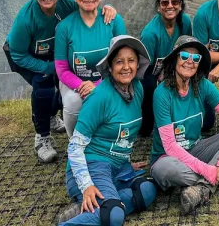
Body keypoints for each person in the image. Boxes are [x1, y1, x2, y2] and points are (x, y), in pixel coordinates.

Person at [4, 0, 117, 163]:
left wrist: (108, 9)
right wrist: (49, 68)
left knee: (60, 85)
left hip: (54, 53)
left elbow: (88, 7)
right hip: (25, 55)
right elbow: (18, 54)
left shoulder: (67, 4)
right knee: (44, 84)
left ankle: (50, 116)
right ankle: (42, 137)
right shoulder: (26, 19)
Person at [55, 35, 157, 225]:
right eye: (119, 62)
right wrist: (86, 186)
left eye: (131, 61)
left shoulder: (137, 89)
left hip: (118, 168)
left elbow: (124, 132)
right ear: (110, 67)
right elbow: (75, 146)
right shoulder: (99, 97)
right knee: (113, 216)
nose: (126, 67)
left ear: (138, 64)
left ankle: (89, 210)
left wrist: (123, 159)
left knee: (146, 191)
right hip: (92, 165)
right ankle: (100, 209)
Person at [149, 36, 219, 215]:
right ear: (174, 59)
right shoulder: (161, 94)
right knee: (164, 170)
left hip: (196, 149)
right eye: (185, 55)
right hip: (168, 157)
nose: (190, 62)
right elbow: (170, 147)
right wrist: (206, 169)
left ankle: (202, 189)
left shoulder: (202, 84)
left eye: (196, 58)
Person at [55, 0, 127, 136]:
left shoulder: (114, 21)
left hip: (110, 81)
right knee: (73, 102)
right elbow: (62, 69)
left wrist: (98, 86)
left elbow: (124, 61)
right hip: (75, 83)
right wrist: (82, 86)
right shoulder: (65, 28)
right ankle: (75, 143)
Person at [139, 0, 193, 136]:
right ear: (158, 7)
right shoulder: (150, 34)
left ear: (180, 5)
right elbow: (145, 70)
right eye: (165, 3)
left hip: (178, 68)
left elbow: (188, 49)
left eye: (175, 2)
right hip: (153, 75)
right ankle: (148, 120)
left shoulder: (186, 23)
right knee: (149, 86)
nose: (170, 6)